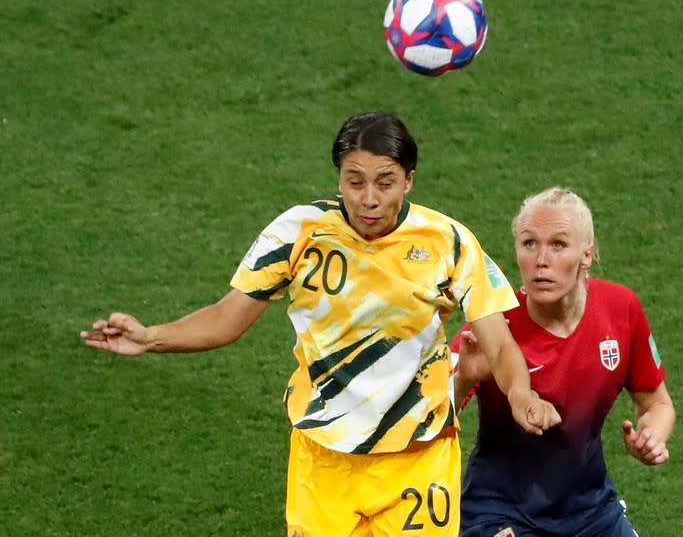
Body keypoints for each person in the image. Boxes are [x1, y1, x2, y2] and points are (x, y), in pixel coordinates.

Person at [81, 111, 558, 537]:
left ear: (409, 181)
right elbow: (228, 318)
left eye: (385, 182)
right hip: (325, 458)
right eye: (355, 181)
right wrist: (151, 338)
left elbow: (497, 343)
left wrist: (521, 394)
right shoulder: (298, 232)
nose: (369, 198)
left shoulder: (448, 242)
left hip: (419, 456)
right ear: (339, 178)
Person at [452, 186, 676, 537]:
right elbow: (426, 414)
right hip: (500, 513)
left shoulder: (621, 310)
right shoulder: (492, 324)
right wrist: (465, 378)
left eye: (558, 245)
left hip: (590, 511)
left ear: (587, 255)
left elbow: (657, 402)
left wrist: (652, 436)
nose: (542, 260)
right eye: (529, 244)